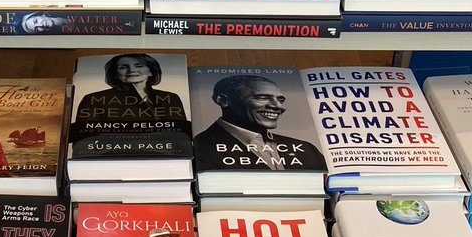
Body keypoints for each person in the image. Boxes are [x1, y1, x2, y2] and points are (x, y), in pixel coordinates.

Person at [195, 74, 325, 172]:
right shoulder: (198, 148)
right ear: (223, 101)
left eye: (280, 100)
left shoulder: (307, 150)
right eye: (262, 98)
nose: (279, 106)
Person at [73, 53, 188, 132]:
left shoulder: (170, 97)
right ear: (115, 74)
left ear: (151, 71)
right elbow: (83, 140)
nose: (132, 70)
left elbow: (181, 135)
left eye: (139, 66)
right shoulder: (93, 99)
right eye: (123, 67)